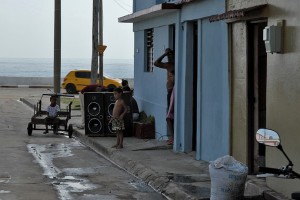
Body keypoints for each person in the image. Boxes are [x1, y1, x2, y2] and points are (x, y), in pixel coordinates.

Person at [154, 48, 175, 144]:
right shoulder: (168, 65)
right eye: (168, 55)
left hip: (173, 92)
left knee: (169, 117)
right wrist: (164, 54)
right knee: (170, 116)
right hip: (169, 92)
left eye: (170, 55)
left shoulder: (174, 66)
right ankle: (172, 136)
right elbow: (156, 63)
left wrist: (166, 54)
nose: (169, 57)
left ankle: (173, 137)